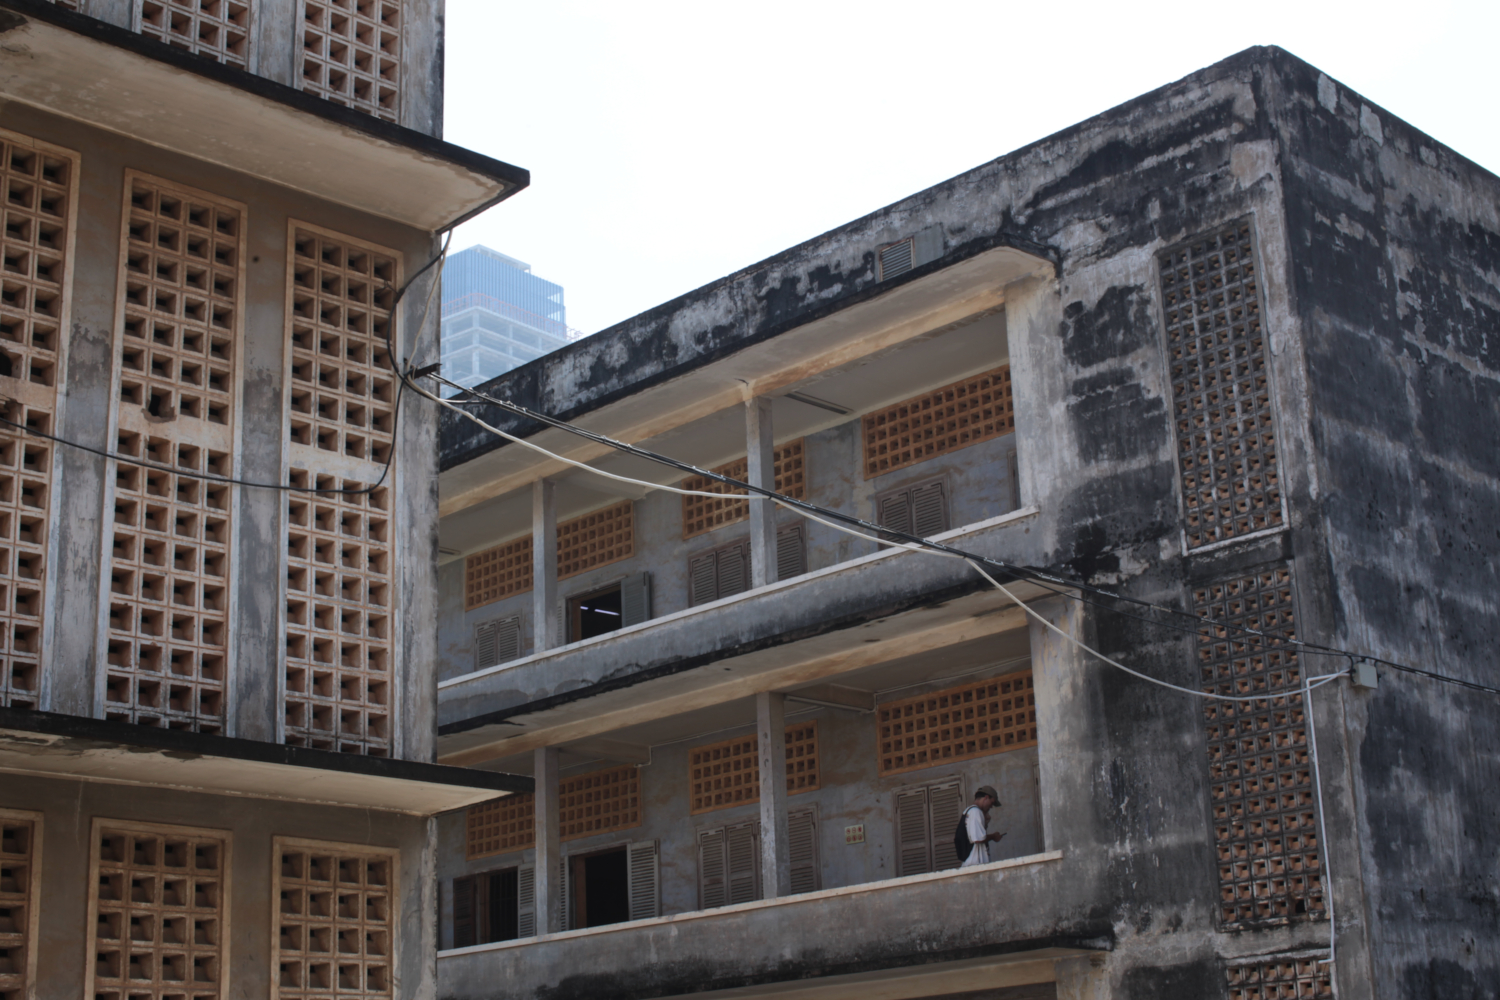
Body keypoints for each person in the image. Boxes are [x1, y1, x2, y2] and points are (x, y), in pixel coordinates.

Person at [960, 785, 1005, 867]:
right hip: (974, 865)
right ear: (986, 798)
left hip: (973, 865)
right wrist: (993, 836)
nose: (991, 807)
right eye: (992, 803)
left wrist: (985, 823)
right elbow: (978, 838)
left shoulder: (969, 811)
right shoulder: (975, 812)